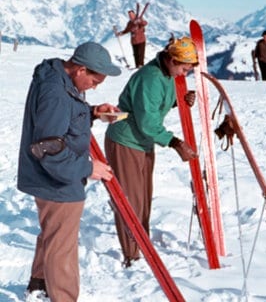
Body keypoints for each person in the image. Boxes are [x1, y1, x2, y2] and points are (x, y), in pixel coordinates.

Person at [17, 42, 121, 302]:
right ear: (80, 69)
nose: (95, 86)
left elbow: (62, 119)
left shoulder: (61, 81)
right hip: (57, 180)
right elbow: (48, 148)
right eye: (95, 80)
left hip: (53, 177)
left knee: (53, 234)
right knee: (62, 248)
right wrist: (88, 168)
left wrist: (92, 112)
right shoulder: (56, 93)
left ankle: (39, 284)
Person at [104, 36, 199, 267]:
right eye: (183, 68)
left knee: (143, 197)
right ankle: (132, 255)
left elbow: (156, 104)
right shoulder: (150, 78)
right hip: (127, 141)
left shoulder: (166, 74)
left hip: (143, 142)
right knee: (131, 200)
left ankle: (140, 241)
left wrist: (179, 100)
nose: (184, 74)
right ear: (172, 59)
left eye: (188, 70)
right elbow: (147, 121)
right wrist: (175, 143)